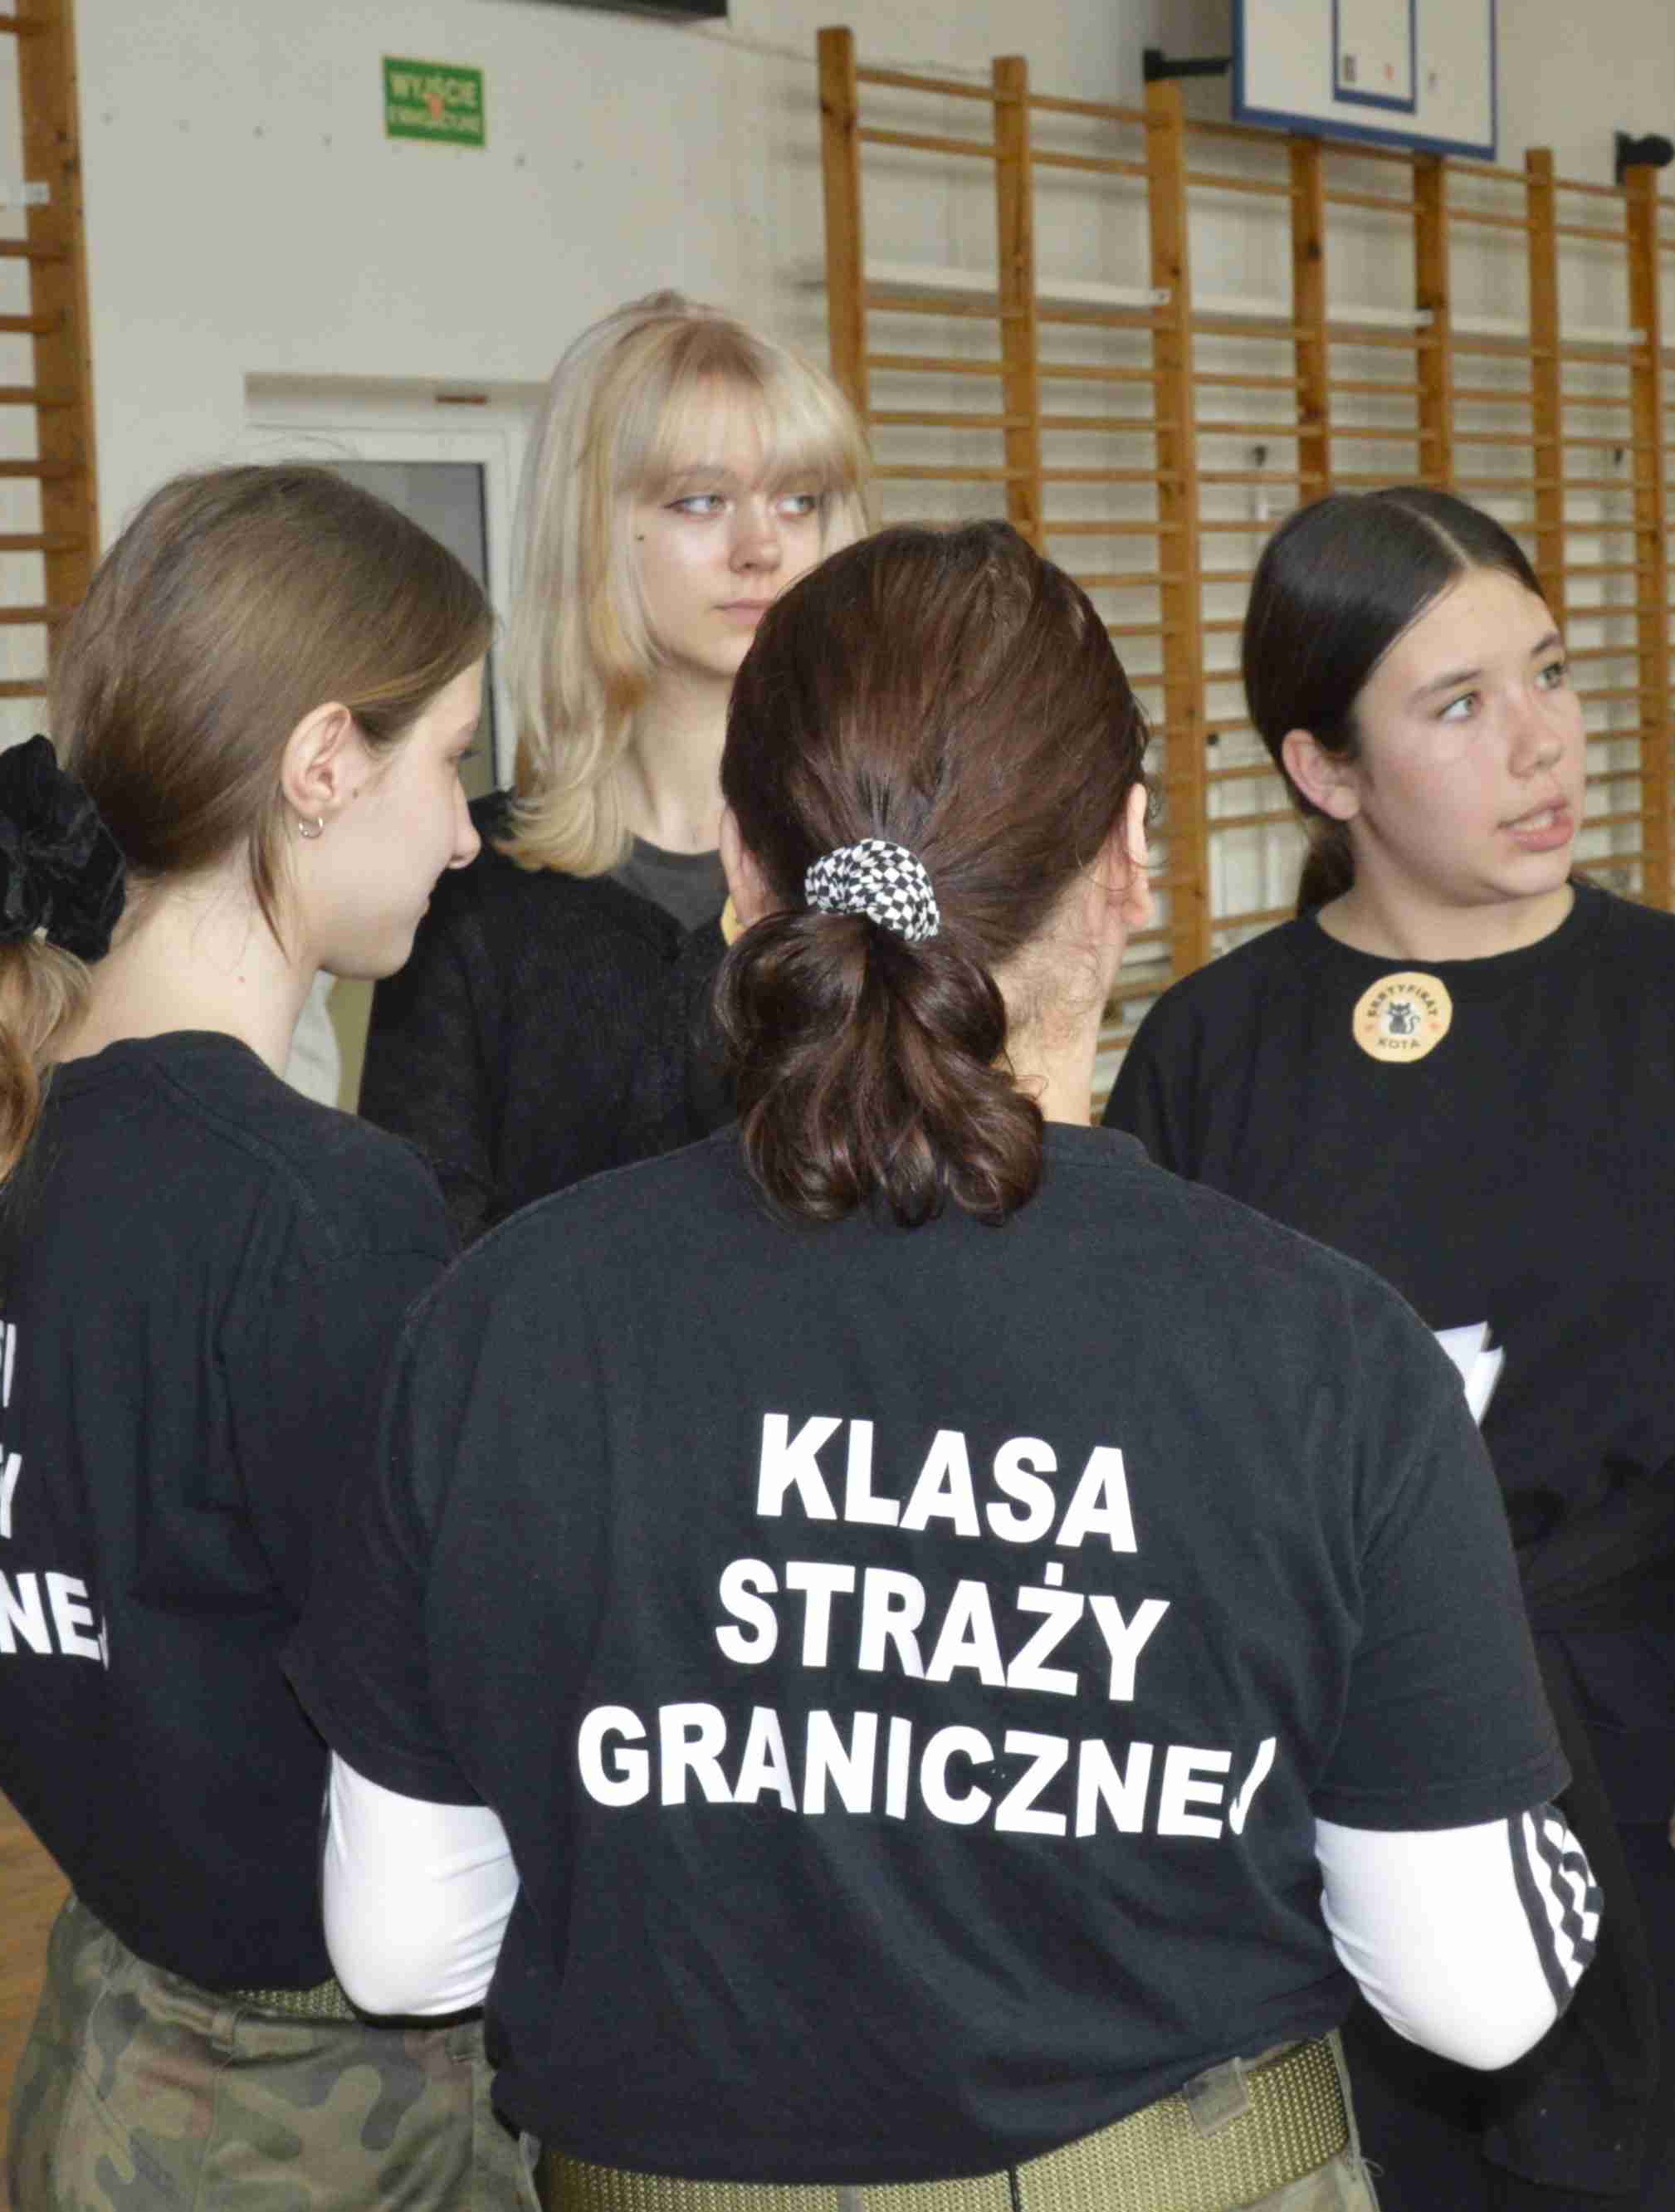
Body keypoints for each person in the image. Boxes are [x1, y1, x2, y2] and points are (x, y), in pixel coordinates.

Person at [290, 522, 1591, 2210]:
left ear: (744, 870)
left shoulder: (504, 1319)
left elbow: (403, 1948)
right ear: (1130, 854)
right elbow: (1478, 1993)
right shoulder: (1323, 1353)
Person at [1102, 487, 1675, 2210]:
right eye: (1457, 705)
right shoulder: (1214, 1051)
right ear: (1324, 771)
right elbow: (1146, 1472)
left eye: (1549, 674)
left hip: (1648, 1747)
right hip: (1313, 1778)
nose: (1541, 743)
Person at [0, 466, 527, 2209]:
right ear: (323, 761)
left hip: (109, 2048)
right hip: (328, 2119)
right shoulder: (311, 1211)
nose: (462, 835)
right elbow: (450, 1713)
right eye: (448, 762)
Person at [359, 290, 875, 1241]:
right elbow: (422, 1256)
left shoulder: (888, 871)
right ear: (594, 530)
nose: (762, 547)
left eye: (798, 500)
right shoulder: (470, 893)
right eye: (702, 501)